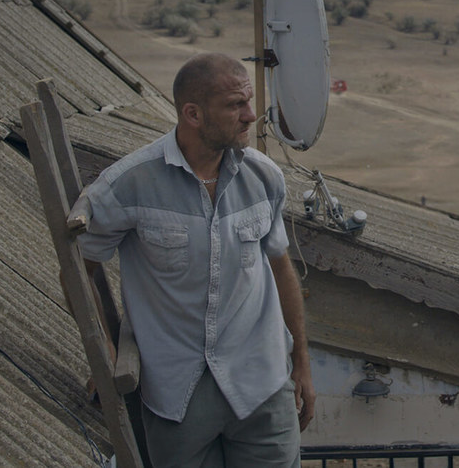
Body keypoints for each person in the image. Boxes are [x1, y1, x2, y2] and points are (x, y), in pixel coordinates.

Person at [76, 53, 313, 467]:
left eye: (249, 101)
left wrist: (303, 366)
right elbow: (79, 271)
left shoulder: (264, 178)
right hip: (177, 393)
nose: (250, 116)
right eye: (235, 105)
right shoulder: (129, 185)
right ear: (193, 114)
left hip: (261, 384)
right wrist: (103, 354)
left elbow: (280, 268)